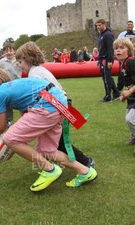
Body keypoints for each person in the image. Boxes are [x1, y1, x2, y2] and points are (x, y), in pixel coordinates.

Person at [0, 67, 97, 191]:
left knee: (9, 137)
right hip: (59, 105)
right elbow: (25, 116)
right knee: (47, 151)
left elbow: (1, 126)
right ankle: (85, 171)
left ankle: (49, 169)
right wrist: (16, 145)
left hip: (46, 106)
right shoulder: (15, 86)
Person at [15, 41, 97, 172]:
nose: (19, 66)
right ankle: (56, 165)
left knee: (61, 144)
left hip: (58, 108)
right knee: (57, 143)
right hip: (60, 107)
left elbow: (41, 96)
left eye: (20, 62)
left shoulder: (35, 74)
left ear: (28, 58)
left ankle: (86, 162)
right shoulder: (39, 70)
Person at [113, 37, 135, 155]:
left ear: (128, 51)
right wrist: (125, 94)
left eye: (121, 48)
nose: (118, 50)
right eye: (116, 48)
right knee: (130, 119)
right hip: (133, 96)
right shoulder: (123, 64)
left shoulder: (131, 62)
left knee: (130, 120)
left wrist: (129, 92)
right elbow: (130, 82)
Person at [95, 19, 120, 102]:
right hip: (102, 58)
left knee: (106, 78)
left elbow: (110, 48)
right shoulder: (101, 35)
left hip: (106, 59)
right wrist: (99, 59)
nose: (98, 27)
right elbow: (101, 48)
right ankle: (116, 93)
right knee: (107, 78)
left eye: (99, 25)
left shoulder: (108, 35)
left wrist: (110, 60)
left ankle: (108, 97)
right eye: (97, 25)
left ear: (104, 24)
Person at [0, 43, 22, 125]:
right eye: (7, 51)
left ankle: (24, 118)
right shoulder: (2, 62)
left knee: (21, 101)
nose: (9, 52)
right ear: (4, 52)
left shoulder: (19, 60)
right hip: (7, 85)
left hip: (18, 84)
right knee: (8, 103)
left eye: (10, 50)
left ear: (14, 51)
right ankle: (9, 121)